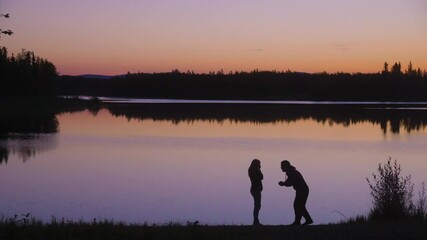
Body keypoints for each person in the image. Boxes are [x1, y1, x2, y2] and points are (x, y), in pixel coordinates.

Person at [278, 160, 313, 226]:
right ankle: (306, 220)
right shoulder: (290, 171)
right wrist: (284, 183)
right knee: (299, 206)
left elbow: (290, 182)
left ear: (285, 166)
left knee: (298, 205)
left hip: (302, 190)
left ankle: (299, 221)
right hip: (301, 190)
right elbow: (290, 182)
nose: (281, 167)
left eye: (282, 166)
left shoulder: (291, 172)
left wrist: (283, 183)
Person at [248, 159, 263, 225]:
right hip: (256, 189)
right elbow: (261, 177)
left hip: (255, 189)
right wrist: (259, 170)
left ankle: (256, 220)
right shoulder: (255, 171)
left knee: (257, 205)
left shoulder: (252, 170)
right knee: (257, 205)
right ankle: (256, 221)